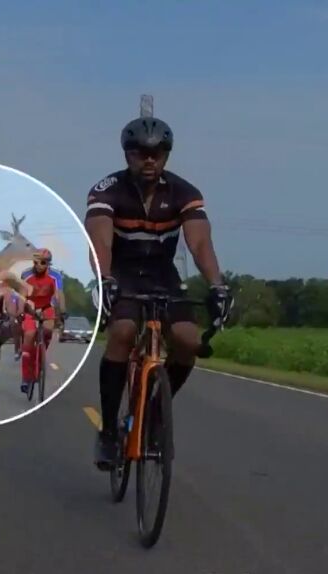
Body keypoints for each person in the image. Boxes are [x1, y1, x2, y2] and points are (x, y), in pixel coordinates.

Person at [85, 117, 233, 469]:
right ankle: (109, 431)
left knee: (187, 341)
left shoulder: (183, 192)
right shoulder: (107, 190)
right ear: (127, 155)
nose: (149, 160)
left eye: (158, 153)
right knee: (122, 333)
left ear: (167, 155)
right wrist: (104, 279)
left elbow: (200, 243)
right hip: (122, 272)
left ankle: (154, 411)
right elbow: (99, 241)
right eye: (140, 153)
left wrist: (217, 285)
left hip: (163, 275)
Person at [18, 249, 67, 393]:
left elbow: (59, 295)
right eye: (36, 262)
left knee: (48, 330)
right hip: (31, 307)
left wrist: (62, 311)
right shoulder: (26, 274)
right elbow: (22, 294)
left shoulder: (55, 275)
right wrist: (21, 310)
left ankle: (41, 352)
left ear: (48, 264)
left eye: (43, 263)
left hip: (47, 306)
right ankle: (26, 377)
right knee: (29, 335)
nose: (39, 265)